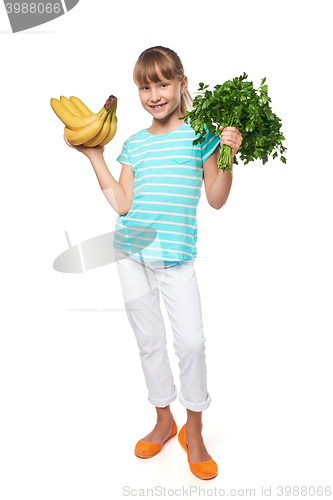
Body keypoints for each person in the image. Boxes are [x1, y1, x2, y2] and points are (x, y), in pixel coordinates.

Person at [64, 46, 243, 480]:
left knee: (191, 345)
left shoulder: (201, 135)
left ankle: (193, 431)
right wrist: (95, 157)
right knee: (149, 341)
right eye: (145, 86)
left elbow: (216, 200)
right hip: (131, 255)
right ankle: (164, 419)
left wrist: (229, 153)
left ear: (182, 83)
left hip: (176, 259)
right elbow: (122, 205)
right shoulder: (134, 144)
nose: (154, 94)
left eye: (163, 83)